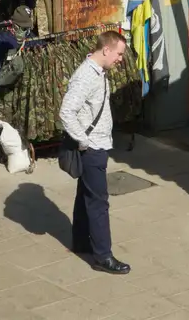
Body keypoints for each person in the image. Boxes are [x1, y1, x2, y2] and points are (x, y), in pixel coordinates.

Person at [58, 29, 130, 275]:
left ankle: (81, 241)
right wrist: (84, 141)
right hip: (92, 147)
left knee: (85, 194)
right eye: (119, 54)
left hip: (97, 144)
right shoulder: (87, 76)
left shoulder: (98, 72)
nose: (120, 59)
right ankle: (103, 256)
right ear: (106, 49)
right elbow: (66, 111)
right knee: (99, 202)